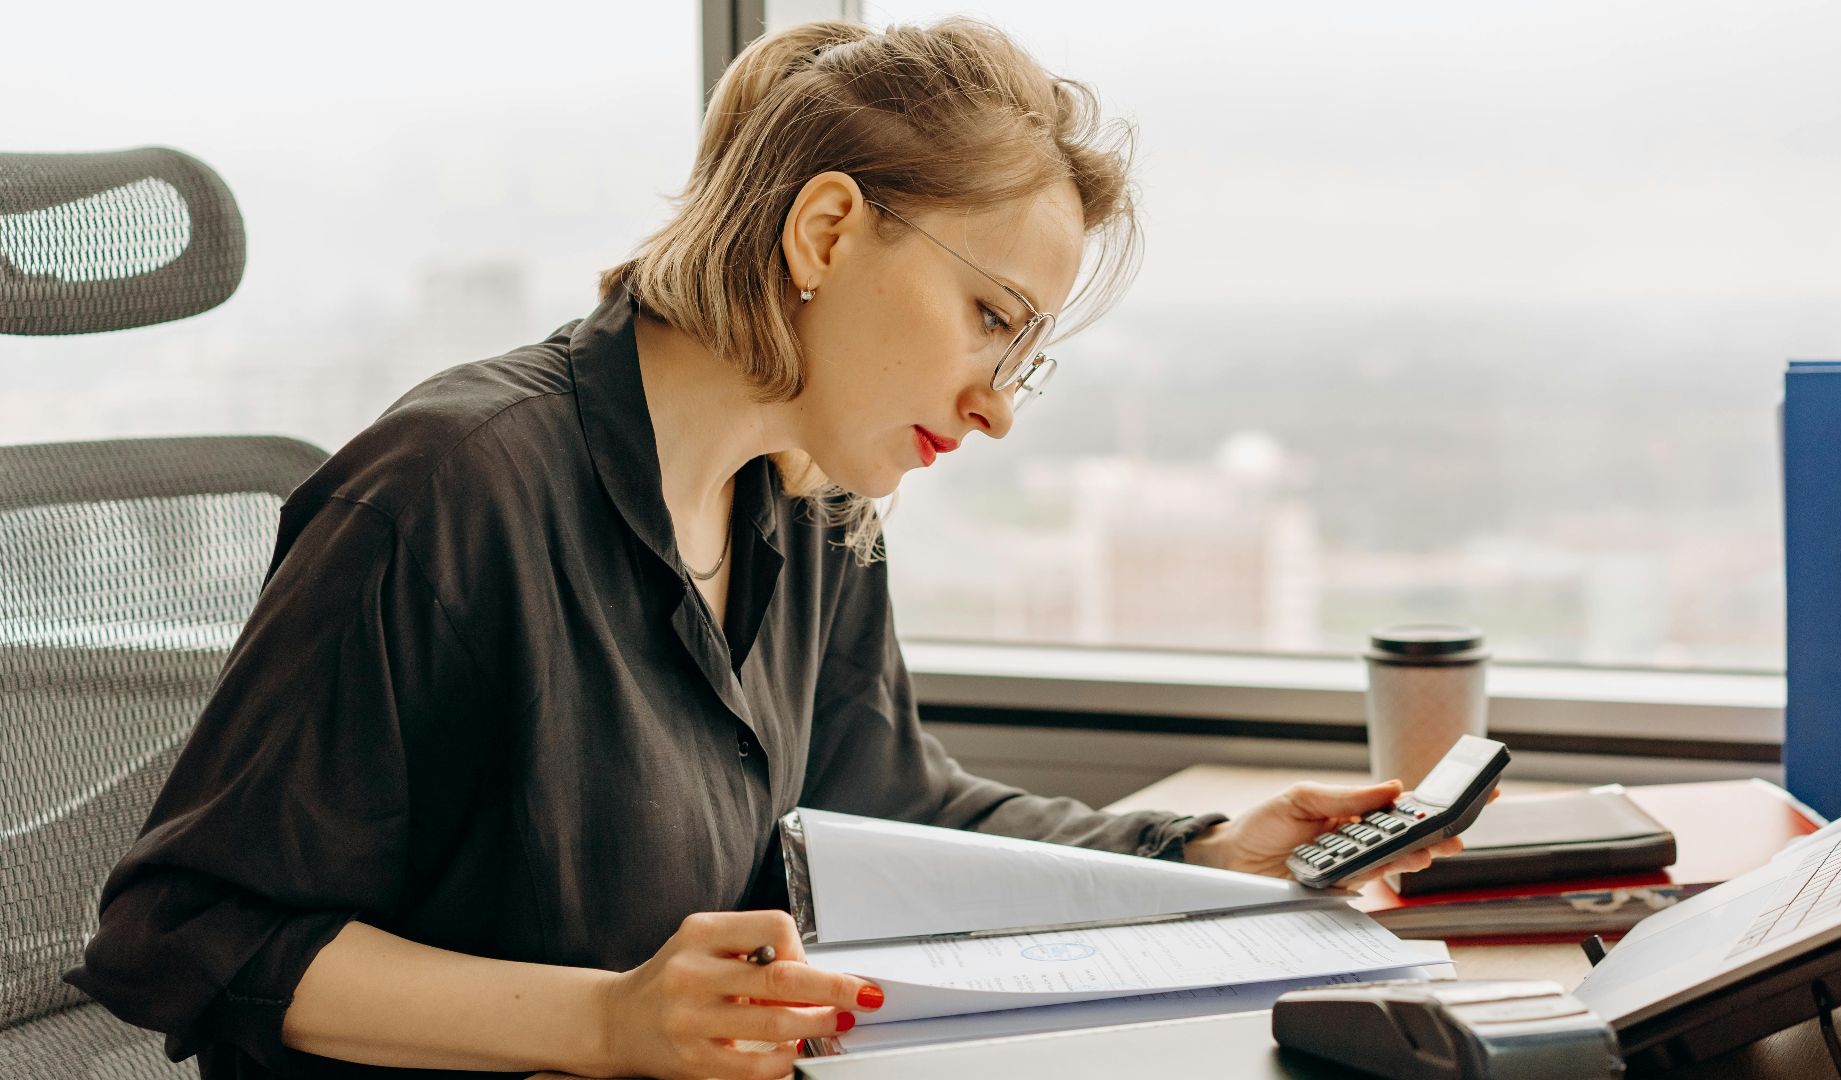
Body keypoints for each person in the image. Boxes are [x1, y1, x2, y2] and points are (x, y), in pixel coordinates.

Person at [68, 18, 1463, 1080]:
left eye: (1023, 356)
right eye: (990, 318)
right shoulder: (453, 489)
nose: (993, 405)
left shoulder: (808, 507)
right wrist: (610, 1022)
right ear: (826, 229)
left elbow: (890, 804)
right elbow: (183, 935)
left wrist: (1200, 854)